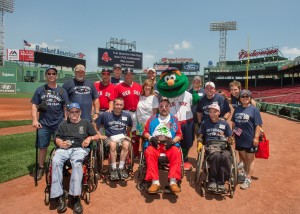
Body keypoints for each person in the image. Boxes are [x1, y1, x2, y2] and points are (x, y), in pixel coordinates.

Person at [51, 103, 99, 213]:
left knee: (77, 164)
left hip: (79, 149)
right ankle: (59, 195)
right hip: (64, 149)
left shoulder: (86, 123)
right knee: (56, 160)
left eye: (76, 111)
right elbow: (57, 137)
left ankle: (75, 196)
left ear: (80, 112)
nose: (74, 114)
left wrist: (89, 138)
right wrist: (60, 142)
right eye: (71, 111)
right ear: (67, 113)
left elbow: (96, 135)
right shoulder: (63, 124)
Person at [31, 67, 69, 180]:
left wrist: (66, 120)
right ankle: (41, 167)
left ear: (56, 76)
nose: (51, 75)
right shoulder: (40, 90)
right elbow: (34, 105)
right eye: (49, 73)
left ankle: (61, 166)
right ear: (46, 76)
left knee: (61, 146)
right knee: (42, 147)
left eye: (53, 73)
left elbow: (65, 106)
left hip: (58, 124)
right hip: (44, 124)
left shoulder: (62, 91)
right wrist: (34, 120)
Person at [143, 98, 183, 194]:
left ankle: (173, 182)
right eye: (161, 106)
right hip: (155, 144)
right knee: (149, 152)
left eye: (166, 106)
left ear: (169, 107)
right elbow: (145, 132)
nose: (164, 108)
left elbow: (179, 135)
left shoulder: (174, 119)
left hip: (169, 144)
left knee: (176, 152)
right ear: (158, 108)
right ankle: (155, 182)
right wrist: (151, 138)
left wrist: (172, 142)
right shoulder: (152, 118)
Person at [197, 103, 234, 193]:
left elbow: (230, 137)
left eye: (215, 112)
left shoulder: (224, 124)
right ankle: (212, 180)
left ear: (219, 113)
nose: (212, 114)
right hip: (211, 144)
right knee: (216, 155)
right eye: (210, 112)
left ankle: (221, 182)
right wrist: (199, 142)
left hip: (223, 145)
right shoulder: (205, 123)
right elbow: (200, 136)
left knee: (225, 156)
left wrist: (230, 140)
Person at [231, 90, 263, 190]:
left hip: (250, 139)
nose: (245, 98)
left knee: (250, 159)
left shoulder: (254, 110)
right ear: (239, 98)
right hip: (240, 138)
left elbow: (258, 125)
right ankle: (245, 174)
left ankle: (248, 179)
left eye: (247, 96)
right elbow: (234, 123)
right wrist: (233, 134)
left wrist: (256, 137)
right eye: (243, 96)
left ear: (250, 98)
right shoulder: (237, 109)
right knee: (243, 158)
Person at [95, 98, 133, 180]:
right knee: (113, 144)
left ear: (123, 106)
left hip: (122, 137)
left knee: (126, 144)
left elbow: (130, 126)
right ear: (113, 105)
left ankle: (121, 167)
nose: (119, 106)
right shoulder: (106, 115)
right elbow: (95, 124)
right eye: (117, 104)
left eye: (121, 105)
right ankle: (113, 168)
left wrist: (127, 135)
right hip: (109, 138)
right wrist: (99, 135)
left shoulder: (127, 115)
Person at [114, 68, 142, 158]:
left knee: (137, 133)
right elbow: (114, 100)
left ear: (133, 75)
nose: (129, 76)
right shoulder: (118, 87)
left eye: (130, 74)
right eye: (127, 74)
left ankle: (135, 153)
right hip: (125, 112)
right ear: (124, 75)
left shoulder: (139, 86)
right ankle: (123, 153)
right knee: (124, 132)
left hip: (137, 113)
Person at [136, 79, 159, 157]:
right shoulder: (140, 96)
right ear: (143, 86)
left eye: (149, 86)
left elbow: (155, 112)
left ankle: (149, 154)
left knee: (149, 139)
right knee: (140, 138)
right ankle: (141, 155)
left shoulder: (154, 98)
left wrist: (153, 123)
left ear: (151, 87)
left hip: (149, 122)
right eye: (146, 85)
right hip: (140, 122)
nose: (147, 87)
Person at [188, 76, 205, 144]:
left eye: (198, 81)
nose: (196, 83)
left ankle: (200, 153)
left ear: (201, 83)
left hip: (200, 120)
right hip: (190, 119)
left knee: (200, 138)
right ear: (192, 82)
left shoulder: (204, 91)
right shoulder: (188, 92)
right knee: (189, 138)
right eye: (195, 81)